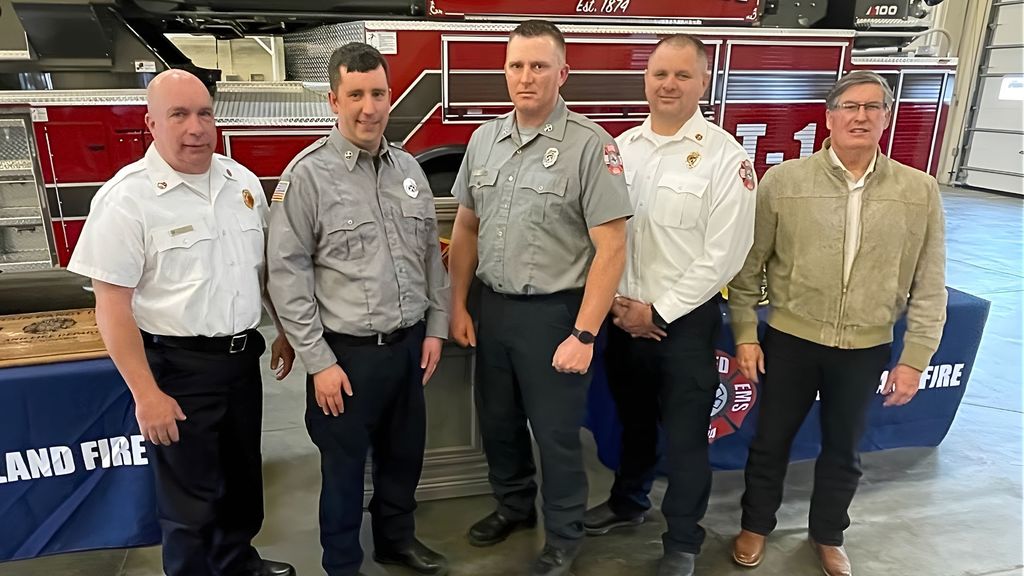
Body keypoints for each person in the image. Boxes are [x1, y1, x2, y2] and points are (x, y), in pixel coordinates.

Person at [67, 69, 296, 576]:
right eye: (179, 115)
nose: (196, 127)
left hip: (241, 363)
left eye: (204, 113)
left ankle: (238, 562)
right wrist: (146, 395)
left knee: (241, 486)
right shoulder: (127, 199)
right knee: (190, 504)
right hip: (178, 369)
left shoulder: (242, 184)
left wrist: (281, 328)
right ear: (151, 123)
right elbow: (111, 305)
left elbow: (260, 271)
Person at [727, 70, 947, 576]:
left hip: (866, 348)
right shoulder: (784, 183)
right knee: (769, 442)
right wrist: (744, 332)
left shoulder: (920, 191)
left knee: (844, 451)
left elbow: (930, 283)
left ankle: (828, 536)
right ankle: (755, 526)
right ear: (829, 116)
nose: (861, 116)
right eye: (850, 106)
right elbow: (748, 267)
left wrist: (915, 359)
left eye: (873, 107)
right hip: (791, 340)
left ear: (887, 119)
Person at [447, 19, 632, 576]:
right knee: (498, 423)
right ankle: (513, 507)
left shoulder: (590, 146)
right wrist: (458, 304)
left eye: (539, 66)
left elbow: (613, 248)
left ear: (562, 73)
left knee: (554, 434)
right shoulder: (484, 141)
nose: (525, 77)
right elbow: (466, 229)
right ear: (504, 72)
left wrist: (584, 333)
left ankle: (566, 535)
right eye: (516, 66)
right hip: (493, 307)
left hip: (557, 315)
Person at [266, 43, 450, 576]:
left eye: (378, 93)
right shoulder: (307, 178)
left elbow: (429, 261)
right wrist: (319, 363)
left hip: (408, 347)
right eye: (355, 95)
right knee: (344, 470)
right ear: (333, 100)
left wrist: (435, 328)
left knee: (403, 458)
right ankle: (342, 562)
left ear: (391, 96)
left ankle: (397, 541)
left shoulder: (409, 169)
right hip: (345, 358)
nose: (368, 108)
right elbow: (287, 275)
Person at [581, 34, 756, 576]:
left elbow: (725, 254)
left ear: (703, 82)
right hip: (621, 319)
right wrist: (616, 306)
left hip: (682, 326)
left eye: (682, 75)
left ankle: (682, 540)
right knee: (632, 423)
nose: (669, 84)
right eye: (660, 73)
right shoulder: (620, 149)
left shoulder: (727, 158)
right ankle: (628, 503)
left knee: (685, 442)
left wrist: (657, 312)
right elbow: (601, 235)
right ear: (646, 79)